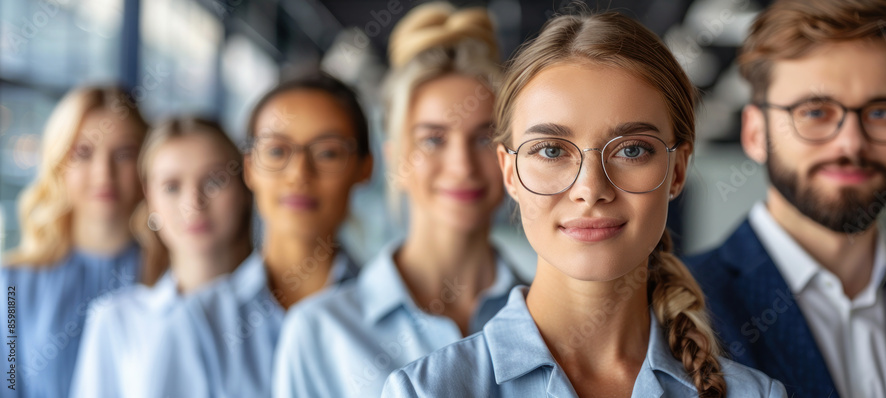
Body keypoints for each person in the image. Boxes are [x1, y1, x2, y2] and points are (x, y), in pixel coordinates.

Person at [381, 11, 785, 398]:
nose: (590, 189)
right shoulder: (426, 391)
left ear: (677, 170)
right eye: (552, 151)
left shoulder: (755, 395)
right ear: (509, 173)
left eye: (630, 150)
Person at [683, 0, 886, 397]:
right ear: (754, 133)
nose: (852, 143)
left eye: (881, 112)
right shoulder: (678, 311)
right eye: (815, 111)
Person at [271, 3, 523, 397]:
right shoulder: (321, 332)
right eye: (433, 140)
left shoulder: (543, 318)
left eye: (483, 138)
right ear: (396, 159)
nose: (461, 166)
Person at [70, 117, 253, 397]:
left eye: (214, 180)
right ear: (150, 198)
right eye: (172, 187)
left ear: (243, 189)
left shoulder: (283, 312)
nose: (193, 203)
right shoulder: (114, 321)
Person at [1, 86, 148, 398]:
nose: (103, 173)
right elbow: (8, 384)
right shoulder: (11, 286)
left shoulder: (169, 278)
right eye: (83, 153)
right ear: (58, 164)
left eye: (123, 154)